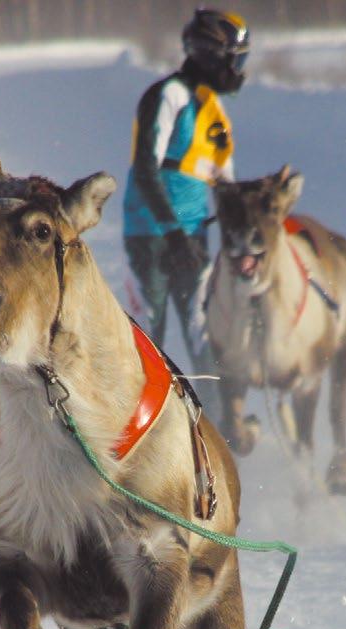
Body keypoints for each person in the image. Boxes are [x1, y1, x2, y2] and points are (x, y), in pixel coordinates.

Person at [123, 8, 250, 391]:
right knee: (149, 339)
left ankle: (214, 433)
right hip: (151, 236)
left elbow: (227, 188)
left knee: (202, 338)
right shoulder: (168, 96)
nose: (238, 69)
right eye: (235, 59)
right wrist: (173, 232)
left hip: (192, 238)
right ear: (209, 53)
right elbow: (146, 168)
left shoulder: (215, 113)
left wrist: (249, 234)